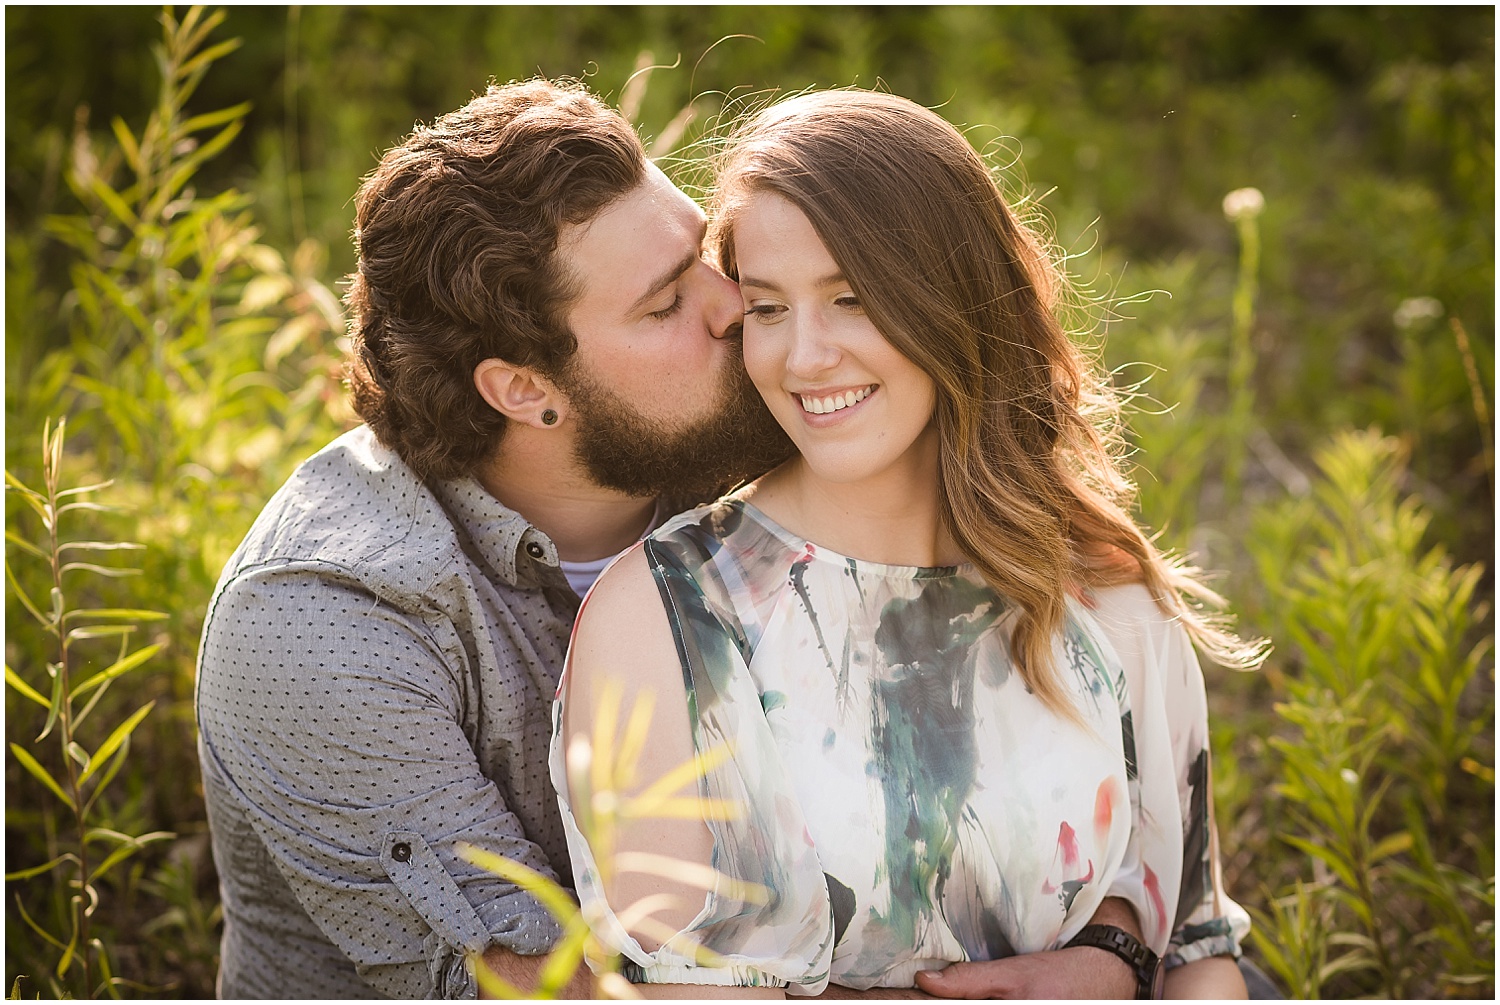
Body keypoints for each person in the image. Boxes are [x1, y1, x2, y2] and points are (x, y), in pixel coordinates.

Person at [555, 89, 1264, 999]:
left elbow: (1198, 946)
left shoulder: (1105, 592)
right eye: (767, 308)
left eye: (852, 299)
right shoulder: (670, 616)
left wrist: (1124, 965)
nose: (804, 357)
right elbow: (666, 988)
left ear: (956, 302)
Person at [194, 78, 791, 998]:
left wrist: (1102, 939)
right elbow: (547, 988)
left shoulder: (729, 442)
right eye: (665, 304)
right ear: (523, 390)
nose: (734, 306)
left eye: (703, 253)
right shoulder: (321, 622)